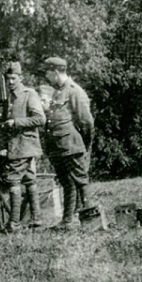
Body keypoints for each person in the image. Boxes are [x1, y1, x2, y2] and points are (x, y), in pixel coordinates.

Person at [42, 57, 95, 229]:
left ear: (56, 72)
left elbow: (86, 122)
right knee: (67, 182)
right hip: (58, 147)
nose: (46, 77)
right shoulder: (57, 92)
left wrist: (84, 145)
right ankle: (67, 221)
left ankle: (91, 221)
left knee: (81, 181)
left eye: (48, 73)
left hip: (71, 145)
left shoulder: (74, 91)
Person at [0, 62, 46, 231]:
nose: (10, 82)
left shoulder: (29, 94)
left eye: (13, 78)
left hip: (25, 144)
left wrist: (16, 123)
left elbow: (40, 119)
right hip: (17, 146)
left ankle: (14, 223)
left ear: (21, 78)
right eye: (8, 78)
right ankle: (37, 219)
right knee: (29, 179)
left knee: (13, 180)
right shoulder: (10, 97)